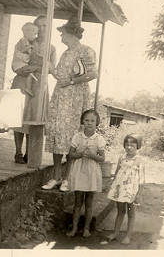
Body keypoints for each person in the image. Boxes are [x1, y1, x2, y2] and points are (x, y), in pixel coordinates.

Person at [43, 17, 98, 191]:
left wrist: (73, 81)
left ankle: (67, 179)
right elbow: (59, 75)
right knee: (58, 133)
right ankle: (56, 177)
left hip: (75, 98)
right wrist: (45, 63)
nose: (61, 37)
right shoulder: (66, 53)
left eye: (63, 34)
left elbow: (93, 73)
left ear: (72, 34)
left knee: (71, 136)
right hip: (61, 97)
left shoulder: (87, 51)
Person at [11, 15, 56, 164]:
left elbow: (52, 70)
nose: (42, 29)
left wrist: (43, 59)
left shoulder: (51, 48)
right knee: (19, 116)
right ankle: (18, 152)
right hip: (23, 82)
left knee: (33, 118)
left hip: (39, 85)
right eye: (39, 26)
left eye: (45, 26)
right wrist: (35, 67)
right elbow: (16, 66)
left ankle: (30, 152)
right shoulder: (24, 42)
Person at [66, 109, 106, 238]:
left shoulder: (99, 139)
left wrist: (92, 155)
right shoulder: (77, 136)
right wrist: (80, 154)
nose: (89, 123)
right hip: (79, 172)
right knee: (78, 202)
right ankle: (75, 228)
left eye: (92, 121)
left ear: (97, 123)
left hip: (92, 173)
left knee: (89, 202)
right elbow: (70, 155)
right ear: (82, 122)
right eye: (86, 120)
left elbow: (102, 158)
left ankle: (86, 229)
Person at [106, 134, 145, 245]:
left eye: (132, 145)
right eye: (127, 145)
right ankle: (115, 233)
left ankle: (128, 235)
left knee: (131, 213)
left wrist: (139, 194)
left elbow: (142, 179)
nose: (129, 147)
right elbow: (117, 172)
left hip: (132, 190)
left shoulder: (139, 160)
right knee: (120, 211)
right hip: (121, 189)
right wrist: (114, 186)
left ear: (138, 146)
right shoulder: (122, 157)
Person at [12, 22, 39, 97]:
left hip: (20, 65)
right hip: (20, 65)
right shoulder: (22, 41)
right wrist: (31, 48)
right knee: (32, 70)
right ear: (27, 32)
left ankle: (28, 87)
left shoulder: (26, 41)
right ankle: (28, 88)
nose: (35, 36)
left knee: (30, 73)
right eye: (34, 34)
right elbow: (23, 49)